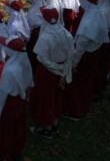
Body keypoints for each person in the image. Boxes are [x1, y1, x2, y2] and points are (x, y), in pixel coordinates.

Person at [0, 35, 33, 161]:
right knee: (17, 126)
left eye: (5, 46)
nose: (3, 47)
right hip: (19, 101)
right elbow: (30, 82)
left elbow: (2, 92)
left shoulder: (10, 70)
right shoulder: (24, 62)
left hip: (8, 103)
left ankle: (3, 153)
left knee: (5, 129)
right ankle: (15, 149)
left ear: (12, 51)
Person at [31, 7, 73, 139]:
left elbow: (42, 58)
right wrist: (64, 71)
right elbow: (70, 54)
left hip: (47, 72)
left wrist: (56, 69)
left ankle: (45, 127)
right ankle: (54, 122)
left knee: (45, 98)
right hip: (61, 69)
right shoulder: (65, 33)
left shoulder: (45, 37)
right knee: (56, 96)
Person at [64, 0, 108, 119]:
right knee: (88, 80)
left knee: (79, 83)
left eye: (83, 0)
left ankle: (75, 110)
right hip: (95, 51)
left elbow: (80, 48)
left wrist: (73, 63)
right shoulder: (97, 13)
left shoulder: (89, 23)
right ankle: (85, 103)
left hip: (85, 57)